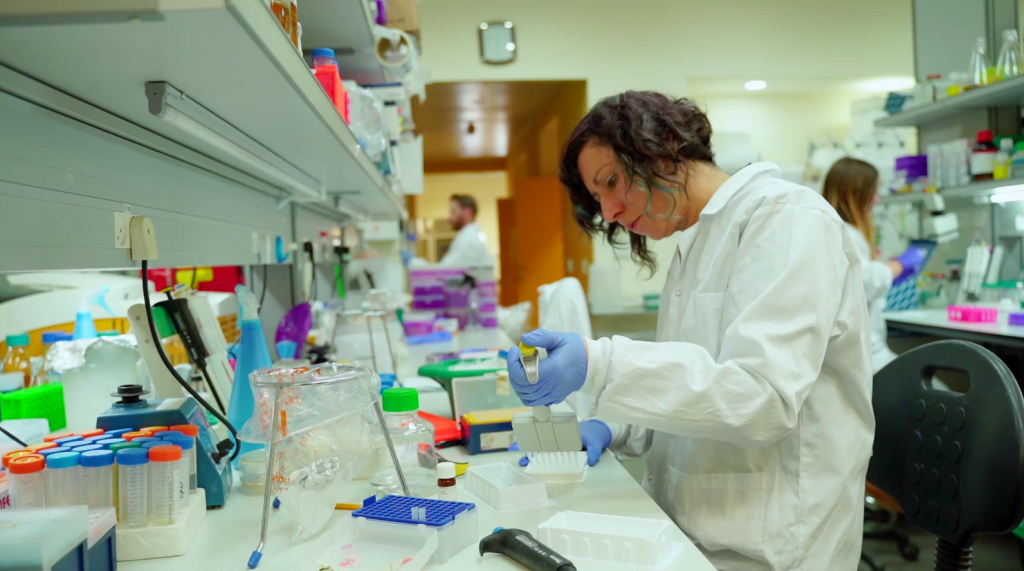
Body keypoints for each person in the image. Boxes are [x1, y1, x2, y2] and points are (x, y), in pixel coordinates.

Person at [506, 92, 875, 570]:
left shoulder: (786, 219)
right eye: (599, 199)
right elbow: (697, 387)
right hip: (700, 529)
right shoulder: (694, 245)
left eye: (612, 182)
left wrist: (601, 363)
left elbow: (761, 398)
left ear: (661, 148)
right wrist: (612, 427)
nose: (611, 212)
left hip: (776, 546)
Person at [822, 157, 929, 373]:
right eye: (873, 192)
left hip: (856, 354)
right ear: (854, 195)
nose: (877, 200)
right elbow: (862, 281)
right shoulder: (846, 232)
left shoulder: (828, 228)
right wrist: (896, 266)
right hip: (864, 356)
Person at [439, 194, 494, 268]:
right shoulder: (468, 237)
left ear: (467, 212)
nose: (449, 217)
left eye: (453, 212)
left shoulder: (468, 240)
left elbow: (446, 269)